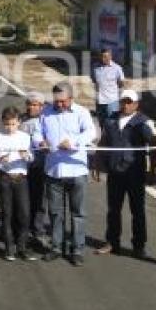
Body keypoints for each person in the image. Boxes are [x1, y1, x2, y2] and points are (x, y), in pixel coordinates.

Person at [95, 90, 156, 259]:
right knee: (113, 209)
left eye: (129, 102)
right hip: (115, 173)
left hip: (135, 174)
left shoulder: (144, 122)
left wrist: (151, 171)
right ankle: (112, 242)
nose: (126, 105)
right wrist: (97, 165)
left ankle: (138, 246)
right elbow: (103, 143)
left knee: (137, 211)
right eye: (123, 101)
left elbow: (153, 146)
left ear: (136, 104)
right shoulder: (111, 120)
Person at [40, 81, 96, 266]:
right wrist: (41, 142)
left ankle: (77, 249)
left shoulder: (82, 112)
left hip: (76, 170)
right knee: (56, 213)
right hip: (53, 170)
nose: (59, 104)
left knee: (78, 213)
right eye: (56, 101)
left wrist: (73, 142)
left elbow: (91, 133)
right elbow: (38, 133)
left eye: (63, 101)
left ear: (71, 98)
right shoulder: (46, 112)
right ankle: (56, 246)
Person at [0, 106, 34, 262]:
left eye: (13, 124)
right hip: (4, 178)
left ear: (19, 122)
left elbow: (31, 158)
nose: (10, 127)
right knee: (7, 213)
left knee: (25, 214)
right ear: (3, 122)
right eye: (7, 124)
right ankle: (9, 248)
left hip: (21, 178)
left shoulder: (25, 137)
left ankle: (22, 247)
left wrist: (26, 155)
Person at [90, 49, 125, 182]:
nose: (104, 58)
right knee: (102, 126)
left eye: (107, 56)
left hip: (112, 101)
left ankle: (113, 151)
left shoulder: (117, 68)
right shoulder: (96, 68)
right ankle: (104, 151)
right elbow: (96, 83)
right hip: (100, 102)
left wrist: (118, 97)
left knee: (113, 126)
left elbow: (121, 83)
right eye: (102, 56)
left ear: (111, 56)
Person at [20, 92, 47, 250]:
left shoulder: (46, 120)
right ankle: (21, 229)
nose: (31, 107)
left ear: (41, 106)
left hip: (40, 166)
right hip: (22, 167)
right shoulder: (20, 119)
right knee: (23, 201)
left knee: (39, 201)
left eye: (35, 104)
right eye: (29, 104)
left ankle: (38, 231)